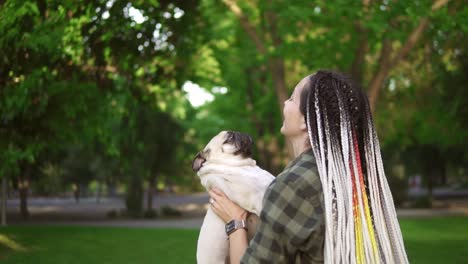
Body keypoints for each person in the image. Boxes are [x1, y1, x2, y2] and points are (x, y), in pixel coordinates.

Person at [209, 70, 408, 264]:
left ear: (305, 120)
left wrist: (235, 223)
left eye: (292, 98)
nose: (285, 103)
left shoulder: (293, 185)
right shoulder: (361, 178)